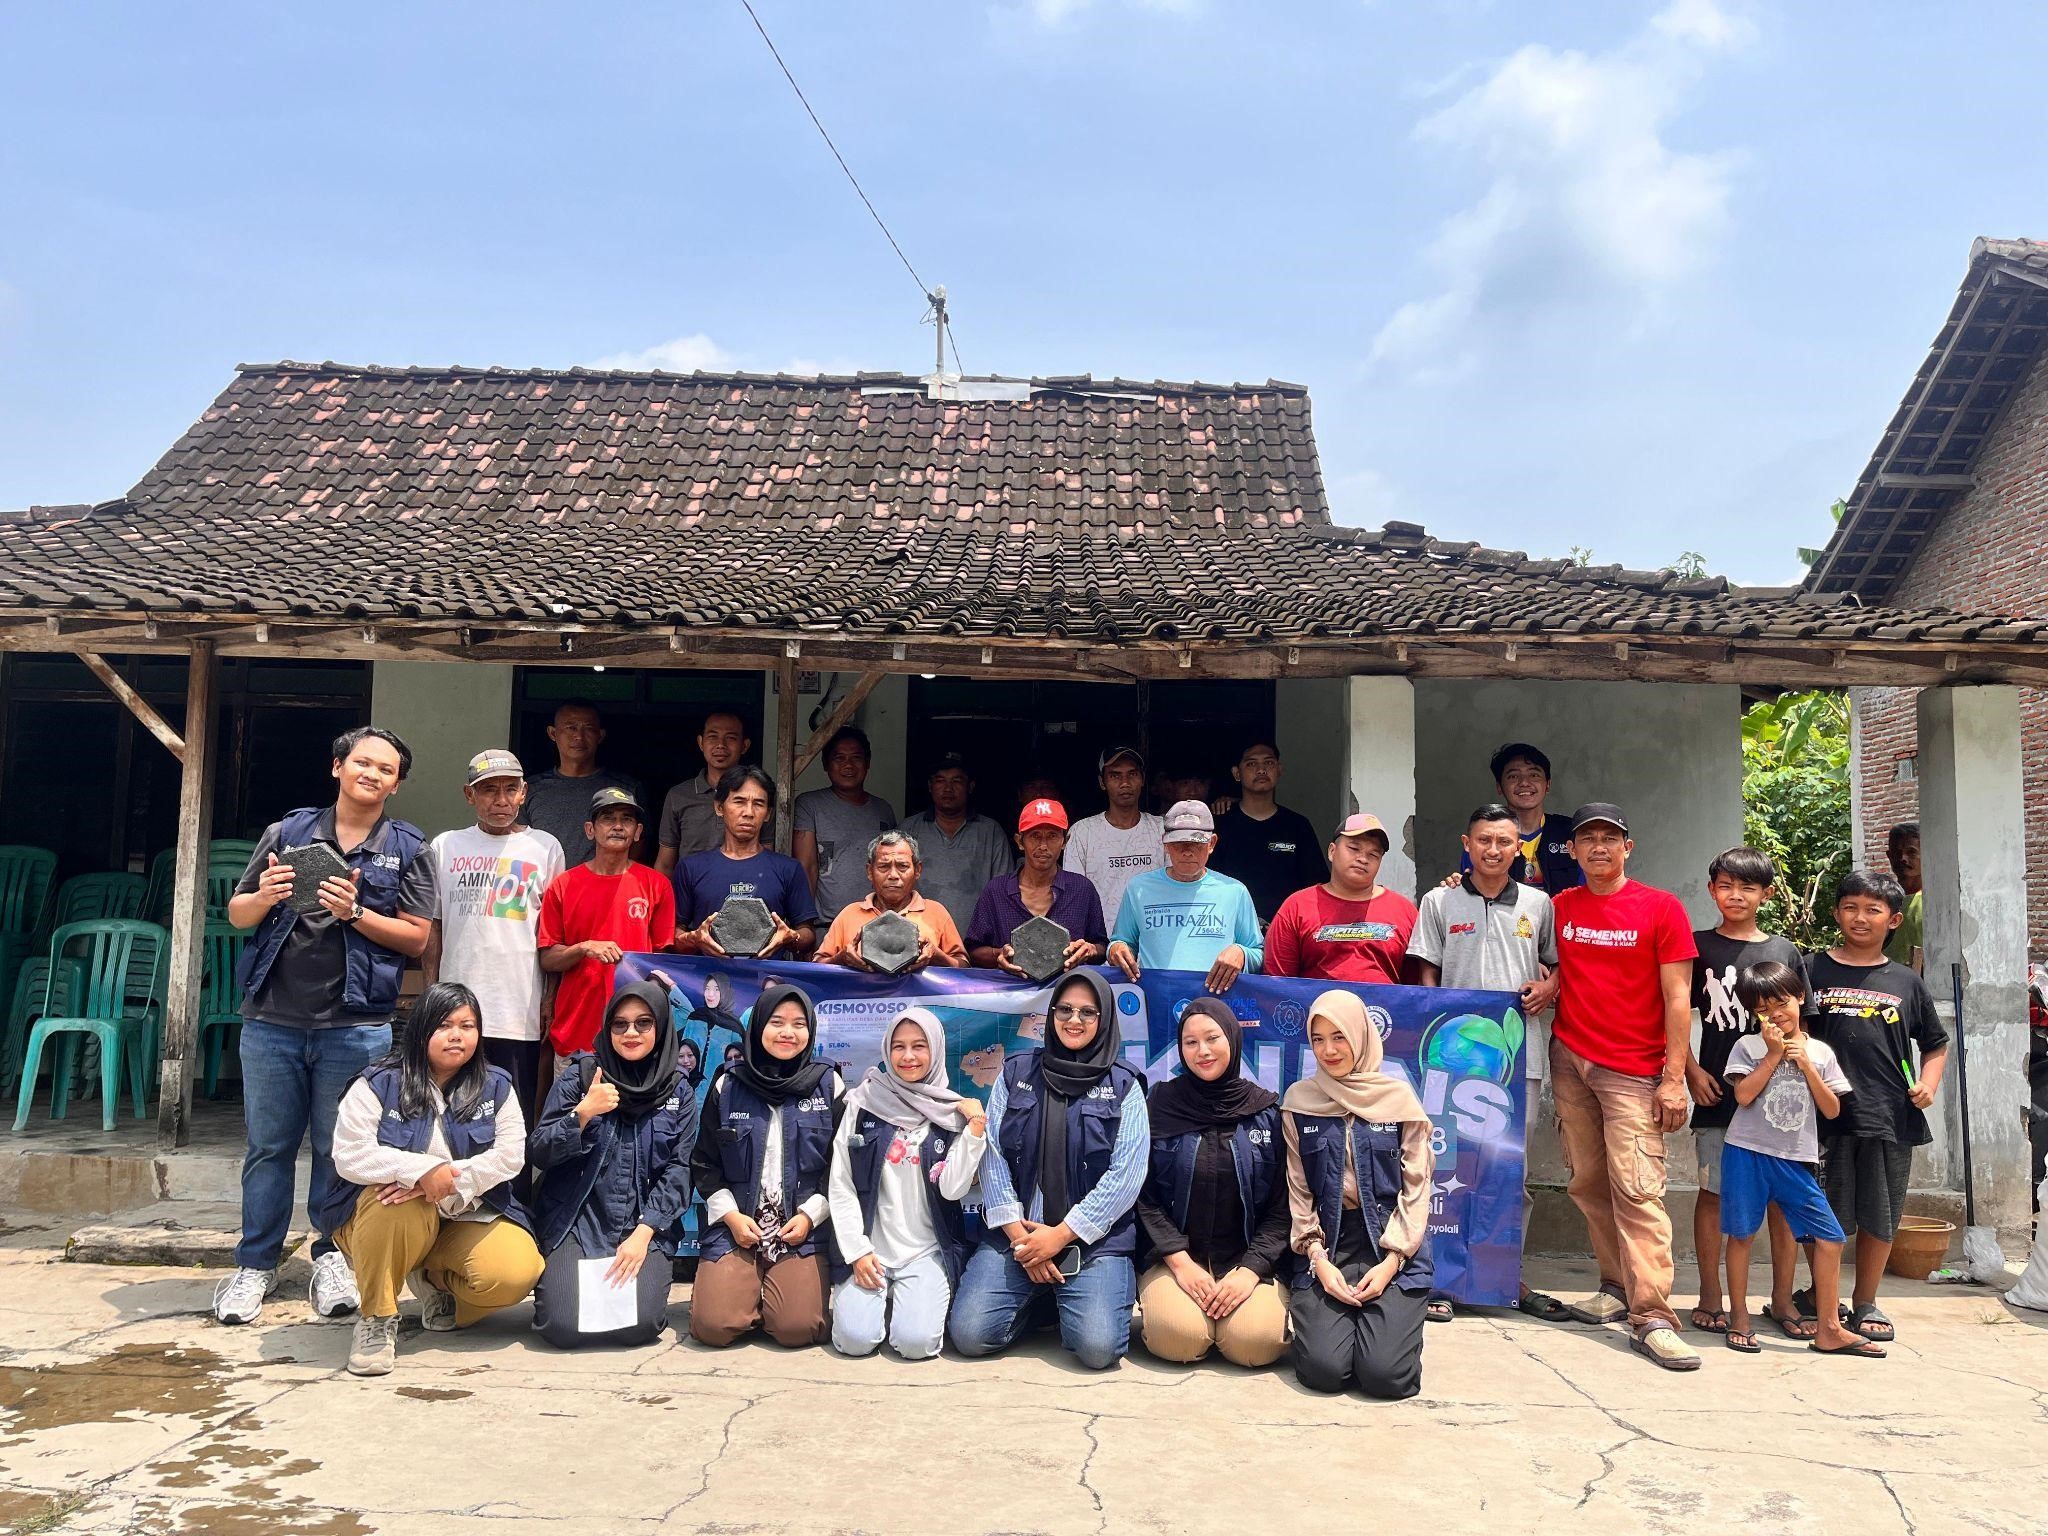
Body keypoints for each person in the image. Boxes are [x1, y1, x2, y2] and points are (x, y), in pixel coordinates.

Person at [213, 726, 436, 1327]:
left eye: (385, 769)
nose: (372, 774)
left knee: (342, 1152)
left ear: (397, 783)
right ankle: (254, 1265)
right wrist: (263, 894)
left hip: (355, 1024)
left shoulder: (409, 847)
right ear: (337, 766)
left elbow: (417, 936)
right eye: (361, 762)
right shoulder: (286, 834)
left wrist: (355, 912)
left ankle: (330, 1256)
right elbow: (237, 915)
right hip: (272, 1020)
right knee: (268, 1148)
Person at [1549, 803, 1700, 1372]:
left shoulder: (1660, 908)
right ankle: (1614, 1288)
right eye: (1587, 840)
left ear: (1627, 848)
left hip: (1635, 1072)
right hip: (1571, 1061)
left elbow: (1677, 999)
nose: (1598, 848)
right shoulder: (1561, 907)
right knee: (1588, 1182)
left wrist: (1673, 1078)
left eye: (1610, 839)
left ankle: (1653, 1317)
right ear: (1573, 851)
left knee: (1637, 1190)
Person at [325, 983, 542, 1377]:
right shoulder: (378, 1083)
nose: (457, 1035)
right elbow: (349, 1152)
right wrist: (419, 1171)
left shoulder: (496, 1085)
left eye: (468, 1025)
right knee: (395, 1206)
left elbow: (511, 1155)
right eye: (444, 1025)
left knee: (516, 1271)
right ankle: (376, 1318)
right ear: (422, 1028)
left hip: (463, 1214)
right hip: (392, 1216)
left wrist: (449, 1180)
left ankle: (433, 1283)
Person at [949, 969, 1149, 1370]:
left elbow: (1125, 1176)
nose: (1074, 1020)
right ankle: (1041, 1303)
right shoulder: (1016, 1073)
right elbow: (992, 1156)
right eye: (1065, 1009)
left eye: (1088, 1013)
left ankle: (1061, 1300)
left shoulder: (1125, 1085)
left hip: (1092, 1242)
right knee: (970, 1335)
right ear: (1052, 1013)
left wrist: (1060, 1236)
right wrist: (1021, 1239)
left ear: (1105, 1019)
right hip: (1017, 1234)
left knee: (1097, 1349)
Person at [1410, 804, 1563, 1324]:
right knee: (1444, 1165)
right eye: (1484, 841)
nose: (1494, 850)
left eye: (1504, 841)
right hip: (1451, 1060)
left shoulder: (1540, 904)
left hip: (1520, 1058)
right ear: (1467, 843)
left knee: (1506, 1168)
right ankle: (1438, 1276)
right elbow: (1425, 972)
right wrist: (1436, 1015)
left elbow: (1559, 970)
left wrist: (1547, 988)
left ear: (1518, 845)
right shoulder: (1439, 899)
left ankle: (1501, 1274)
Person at [1803, 870, 1948, 1345]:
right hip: (1821, 1114)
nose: (1860, 918)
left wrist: (1927, 1085)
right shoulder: (1811, 971)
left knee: (1879, 1213)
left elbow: (1935, 1044)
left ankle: (1865, 1301)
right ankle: (1823, 1300)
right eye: (1850, 907)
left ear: (1894, 919)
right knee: (1822, 1212)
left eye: (1873, 910)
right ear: (1836, 912)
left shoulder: (1906, 981)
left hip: (1887, 1114)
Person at [1720, 963, 1881, 1358]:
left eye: (1782, 1003)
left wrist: (1806, 1064)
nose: (1775, 1014)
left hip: (1796, 1158)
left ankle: (1828, 1327)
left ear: (1800, 999)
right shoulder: (1748, 1047)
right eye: (1762, 1009)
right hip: (1746, 1153)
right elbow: (1743, 1097)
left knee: (1829, 1237)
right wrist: (1773, 1056)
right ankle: (1739, 1315)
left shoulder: (1821, 1052)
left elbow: (1831, 1110)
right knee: (1741, 1235)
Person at [1282, 991, 1435, 1399]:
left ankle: (1391, 1335)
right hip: (1329, 1245)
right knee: (1323, 1372)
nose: (1328, 1050)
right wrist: (1317, 1258)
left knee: (1384, 1377)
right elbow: (1298, 1189)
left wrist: (1392, 1261)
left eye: (1339, 1037)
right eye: (1318, 1039)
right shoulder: (1300, 1102)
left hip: (1392, 1244)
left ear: (1361, 1036)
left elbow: (1416, 1188)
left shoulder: (1399, 1101)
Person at [529, 983, 698, 1348]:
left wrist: (645, 1233)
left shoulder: (678, 1091)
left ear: (662, 1028)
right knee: (560, 1327)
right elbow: (540, 1151)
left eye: (643, 1023)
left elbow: (679, 1170)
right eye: (619, 1025)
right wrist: (583, 1113)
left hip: (642, 1227)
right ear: (607, 1029)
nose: (631, 1033)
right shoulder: (581, 1076)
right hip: (577, 1220)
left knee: (640, 1327)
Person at [1682, 847, 1803, 1339]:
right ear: (1711, 890)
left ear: (1766, 894)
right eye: (1726, 885)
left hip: (1781, 1099)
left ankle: (1780, 1298)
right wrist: (1689, 1069)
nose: (1736, 895)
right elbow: (1670, 1014)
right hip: (1716, 1092)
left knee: (1781, 1200)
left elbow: (1805, 1026)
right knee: (1713, 1194)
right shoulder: (1695, 948)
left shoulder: (1785, 952)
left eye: (1748, 886)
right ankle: (1710, 1294)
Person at [1136, 999, 1290, 1368]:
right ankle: (1187, 1312)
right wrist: (1180, 1261)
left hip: (1247, 1260)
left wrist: (1252, 1270)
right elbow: (1141, 1194)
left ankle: (1236, 1315)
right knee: (1178, 1339)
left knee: (1255, 1344)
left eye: (1212, 1038)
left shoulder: (1266, 1112)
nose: (1202, 1051)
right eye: (1190, 1042)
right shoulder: (1159, 1105)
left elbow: (1283, 1206)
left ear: (1233, 1040)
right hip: (1175, 1258)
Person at [827, 1007, 989, 1360]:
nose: (908, 1056)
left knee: (916, 1345)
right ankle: (872, 1306)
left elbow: (952, 1190)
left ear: (935, 1050)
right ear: (887, 1051)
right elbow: (841, 1185)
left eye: (920, 1046)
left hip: (926, 1252)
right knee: (856, 1341)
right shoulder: (863, 1103)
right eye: (898, 1047)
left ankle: (907, 1303)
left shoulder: (952, 1113)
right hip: (870, 1250)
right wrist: (857, 1251)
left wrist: (975, 1130)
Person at [689, 984, 845, 1348]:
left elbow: (840, 1167)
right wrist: (730, 1216)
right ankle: (745, 1291)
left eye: (798, 1023)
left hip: (800, 1229)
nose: (788, 1033)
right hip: (737, 1225)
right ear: (758, 1026)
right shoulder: (727, 1084)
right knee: (713, 1327)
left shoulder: (828, 1085)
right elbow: (704, 1162)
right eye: (776, 1022)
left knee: (798, 1328)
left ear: (810, 1031)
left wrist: (810, 1215)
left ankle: (770, 1294)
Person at [422, 749, 565, 1133]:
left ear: (523, 793)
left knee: (512, 1113)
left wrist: (549, 996)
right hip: (456, 1004)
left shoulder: (545, 847)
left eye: (509, 789)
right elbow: (434, 924)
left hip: (518, 1004)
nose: (500, 801)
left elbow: (553, 932)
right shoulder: (446, 845)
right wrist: (431, 991)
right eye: (488, 791)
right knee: (451, 1108)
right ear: (469, 795)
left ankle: (512, 1195)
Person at [536, 788, 677, 1069]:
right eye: (607, 818)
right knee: (576, 1112)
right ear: (590, 829)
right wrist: (584, 947)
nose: (617, 826)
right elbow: (548, 958)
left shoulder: (656, 885)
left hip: (635, 1034)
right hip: (576, 1029)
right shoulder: (563, 885)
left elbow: (663, 960)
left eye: (626, 820)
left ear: (637, 832)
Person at [1106, 801, 1261, 993]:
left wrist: (1241, 953)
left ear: (1211, 843)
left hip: (1214, 1004)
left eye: (1196, 843)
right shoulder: (1139, 889)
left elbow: (1258, 952)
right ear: (1165, 843)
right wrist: (1116, 949)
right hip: (1155, 1001)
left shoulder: (1234, 891)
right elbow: (1121, 941)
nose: (1187, 851)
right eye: (1179, 843)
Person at [671, 766, 816, 960]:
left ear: (768, 814)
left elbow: (807, 935)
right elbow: (673, 935)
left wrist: (790, 937)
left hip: (767, 984)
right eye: (739, 801)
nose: (748, 812)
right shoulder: (691, 868)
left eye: (758, 804)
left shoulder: (788, 869)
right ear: (719, 807)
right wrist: (694, 939)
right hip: (707, 985)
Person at [1264, 813, 1416, 985]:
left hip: (1383, 1012)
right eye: (1354, 848)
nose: (1363, 859)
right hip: (1316, 1011)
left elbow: (1416, 989)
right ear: (1332, 851)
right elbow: (1277, 983)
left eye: (1373, 854)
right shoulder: (1296, 907)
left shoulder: (1404, 911)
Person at [964, 798, 1107, 976]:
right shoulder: (996, 890)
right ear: (1019, 841)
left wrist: (1089, 950)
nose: (1043, 846)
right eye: (1035, 836)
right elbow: (973, 951)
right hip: (1010, 997)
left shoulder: (1082, 889)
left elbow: (1102, 947)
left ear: (1065, 841)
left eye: (1052, 836)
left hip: (1067, 993)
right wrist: (999, 955)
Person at [814, 831, 969, 972]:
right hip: (863, 1002)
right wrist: (841, 958)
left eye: (902, 866)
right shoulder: (849, 914)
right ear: (869, 871)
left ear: (917, 871)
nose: (893, 875)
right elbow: (816, 968)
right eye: (883, 866)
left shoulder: (936, 912)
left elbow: (965, 968)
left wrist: (936, 956)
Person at [1208, 742, 1328, 923]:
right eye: (1251, 764)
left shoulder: (1297, 825)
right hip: (1229, 926)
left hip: (1287, 929)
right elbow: (1206, 882)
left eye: (1269, 763)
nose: (1261, 770)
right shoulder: (1220, 825)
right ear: (1236, 773)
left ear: (1279, 770)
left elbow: (1316, 885)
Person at [899, 753, 1015, 933]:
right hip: (918, 938)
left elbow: (1003, 892)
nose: (948, 788)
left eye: (956, 781)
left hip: (976, 942)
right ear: (930, 786)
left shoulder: (990, 831)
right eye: (940, 781)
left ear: (970, 786)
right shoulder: (908, 829)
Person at [793, 726, 897, 924]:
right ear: (826, 764)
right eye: (839, 758)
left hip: (877, 925)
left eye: (856, 758)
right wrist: (804, 925)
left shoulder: (883, 810)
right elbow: (807, 867)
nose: (848, 765)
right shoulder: (809, 805)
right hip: (827, 926)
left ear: (867, 763)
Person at [522, 700, 646, 866]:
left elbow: (639, 842)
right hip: (545, 887)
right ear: (553, 733)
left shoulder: (626, 789)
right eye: (571, 727)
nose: (579, 736)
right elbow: (518, 843)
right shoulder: (531, 789)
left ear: (600, 735)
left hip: (604, 887)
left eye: (588, 728)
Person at [1065, 746, 1163, 927]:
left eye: (1132, 774)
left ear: (1142, 779)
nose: (1125, 783)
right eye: (1115, 775)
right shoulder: (1082, 832)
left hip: (1154, 940)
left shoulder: (1162, 829)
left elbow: (1177, 887)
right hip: (1101, 944)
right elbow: (1074, 896)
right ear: (1102, 782)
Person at [654, 710, 760, 877]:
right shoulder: (678, 796)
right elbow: (665, 863)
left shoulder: (757, 797)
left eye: (731, 738)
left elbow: (768, 858)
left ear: (744, 746)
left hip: (744, 892)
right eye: (713, 737)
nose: (721, 745)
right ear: (701, 743)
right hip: (691, 894)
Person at [1468, 742, 1582, 893]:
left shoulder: (1572, 833)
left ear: (1547, 784)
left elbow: (1589, 890)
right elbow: (1469, 889)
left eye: (1534, 775)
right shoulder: (1482, 838)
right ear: (1499, 787)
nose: (1524, 783)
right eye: (1513, 776)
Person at [1884, 823, 1924, 971]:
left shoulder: (1937, 900)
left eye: (1911, 852)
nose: (1903, 858)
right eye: (1897, 852)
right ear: (1889, 856)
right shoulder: (1882, 900)